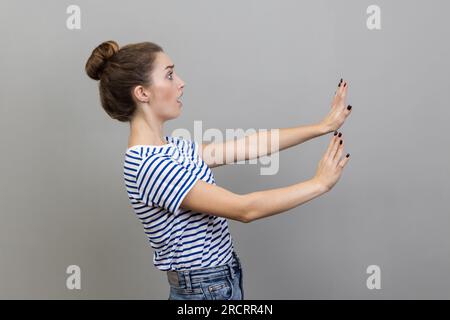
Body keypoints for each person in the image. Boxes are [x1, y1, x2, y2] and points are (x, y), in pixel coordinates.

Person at [85, 40, 352, 300]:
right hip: (204, 290)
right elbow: (245, 209)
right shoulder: (149, 165)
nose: (181, 82)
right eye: (169, 75)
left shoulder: (171, 147)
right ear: (142, 93)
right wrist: (319, 184)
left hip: (218, 282)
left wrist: (322, 126)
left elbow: (247, 147)